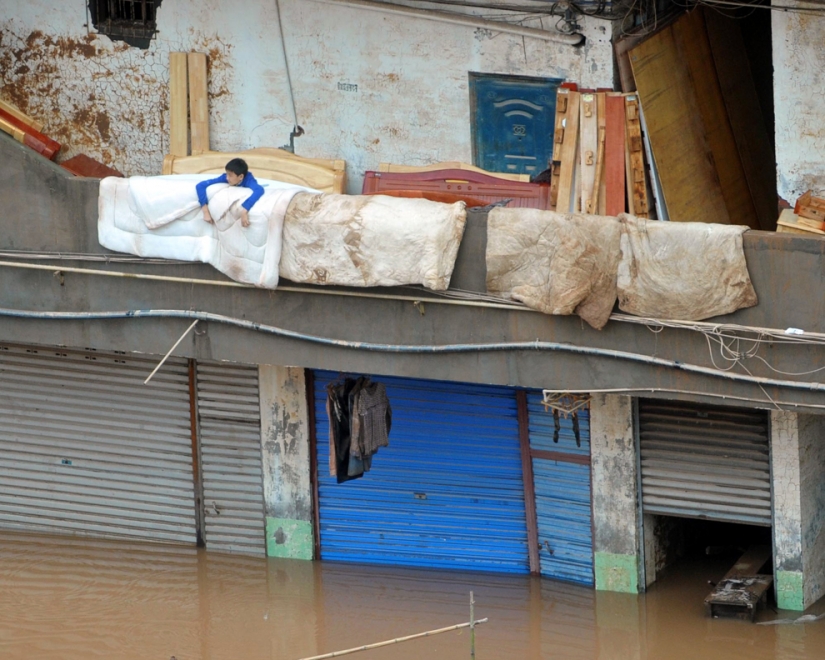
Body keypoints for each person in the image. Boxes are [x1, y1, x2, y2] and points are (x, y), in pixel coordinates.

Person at [195, 158, 264, 228]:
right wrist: (205, 211)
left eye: (230, 175)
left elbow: (259, 189)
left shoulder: (249, 180)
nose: (227, 178)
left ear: (241, 177)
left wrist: (244, 211)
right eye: (227, 174)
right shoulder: (225, 178)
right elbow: (200, 185)